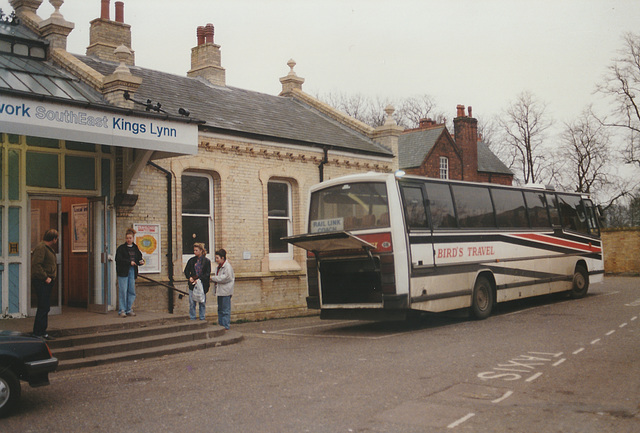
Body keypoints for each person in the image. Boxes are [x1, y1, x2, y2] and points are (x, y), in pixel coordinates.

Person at [31, 229, 59, 339]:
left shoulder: (47, 248)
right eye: (56, 238)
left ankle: (42, 331)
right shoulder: (41, 248)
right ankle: (38, 332)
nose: (57, 240)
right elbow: (36, 265)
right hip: (42, 281)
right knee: (43, 306)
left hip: (46, 281)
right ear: (53, 239)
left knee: (45, 306)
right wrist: (45, 277)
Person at [115, 228, 144, 317]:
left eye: (130, 238)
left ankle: (129, 309)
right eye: (127, 238)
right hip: (123, 271)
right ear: (125, 238)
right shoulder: (121, 248)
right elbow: (118, 259)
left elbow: (139, 257)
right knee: (123, 290)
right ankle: (122, 310)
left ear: (133, 238)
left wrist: (141, 261)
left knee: (131, 290)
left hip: (132, 271)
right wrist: (129, 262)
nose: (128, 240)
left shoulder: (135, 248)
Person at [183, 243, 211, 320]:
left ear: (201, 250)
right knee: (192, 302)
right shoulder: (191, 260)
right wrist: (190, 278)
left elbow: (207, 273)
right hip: (193, 284)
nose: (195, 252)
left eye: (196, 250)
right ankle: (192, 317)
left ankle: (202, 317)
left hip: (202, 284)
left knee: (202, 302)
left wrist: (199, 279)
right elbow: (186, 271)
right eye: (194, 250)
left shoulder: (206, 261)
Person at [211, 248, 234, 330]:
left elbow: (226, 278)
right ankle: (221, 325)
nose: (216, 260)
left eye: (217, 258)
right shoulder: (218, 267)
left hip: (226, 292)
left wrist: (214, 278)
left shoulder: (227, 267)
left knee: (225, 310)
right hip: (219, 291)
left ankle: (225, 326)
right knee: (220, 309)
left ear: (223, 258)